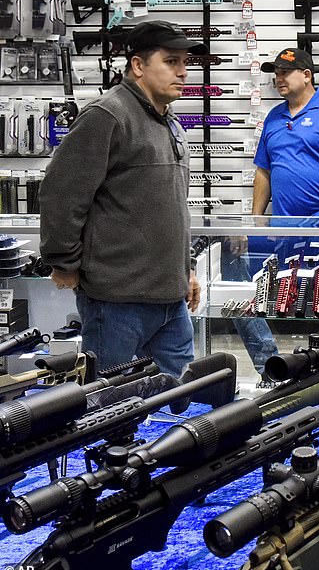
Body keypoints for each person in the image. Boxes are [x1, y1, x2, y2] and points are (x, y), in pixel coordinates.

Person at [39, 21, 204, 376]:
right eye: (171, 61)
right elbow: (61, 192)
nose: (183, 72)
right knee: (110, 408)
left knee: (182, 402)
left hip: (171, 301)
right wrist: (63, 261)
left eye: (185, 62)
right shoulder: (107, 115)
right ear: (138, 65)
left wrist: (185, 269)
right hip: (116, 302)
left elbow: (172, 207)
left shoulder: (171, 124)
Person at [253, 47, 319, 222]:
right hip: (283, 229)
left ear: (307, 75)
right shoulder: (273, 117)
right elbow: (264, 171)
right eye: (276, 74)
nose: (279, 79)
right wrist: (254, 221)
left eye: (285, 72)